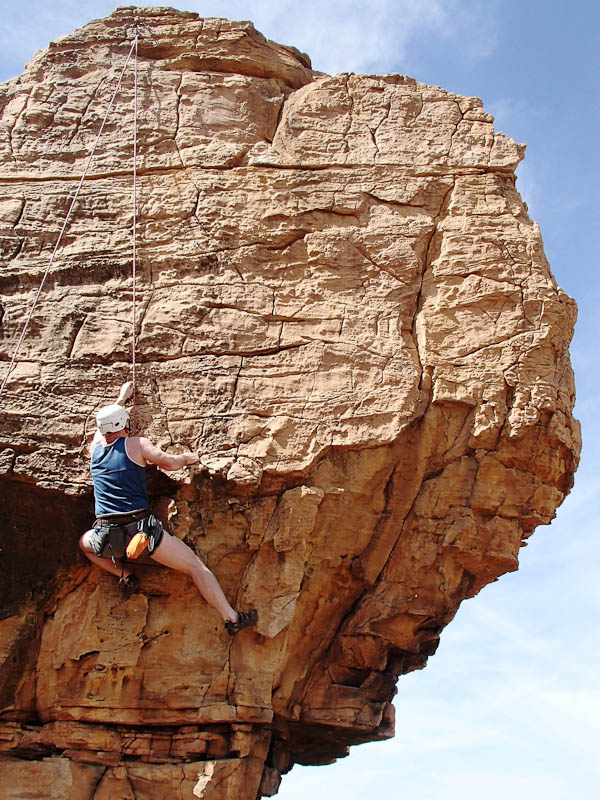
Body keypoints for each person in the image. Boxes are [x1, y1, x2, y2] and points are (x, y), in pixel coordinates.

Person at [79, 380, 257, 636]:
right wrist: (187, 458)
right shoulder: (136, 445)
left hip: (108, 538)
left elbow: (102, 432)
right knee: (196, 568)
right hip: (141, 533)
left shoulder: (94, 451)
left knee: (84, 544)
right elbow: (169, 463)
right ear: (125, 425)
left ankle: (126, 575)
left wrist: (120, 398)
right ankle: (231, 617)